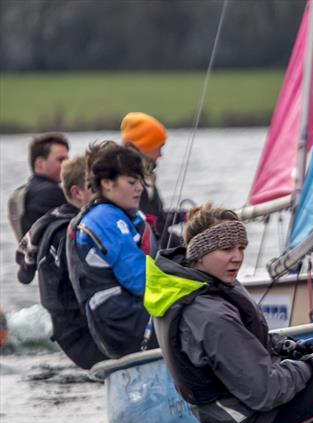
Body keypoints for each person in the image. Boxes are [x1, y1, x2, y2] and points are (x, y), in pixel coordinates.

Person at [145, 204, 313, 423]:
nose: (237, 257)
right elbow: (264, 392)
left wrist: (290, 347)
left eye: (241, 248)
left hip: (257, 404)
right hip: (254, 421)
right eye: (226, 249)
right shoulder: (210, 315)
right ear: (199, 254)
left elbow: (249, 340)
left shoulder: (205, 283)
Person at [66, 141, 157, 359]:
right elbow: (141, 281)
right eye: (132, 182)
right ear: (107, 183)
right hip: (125, 325)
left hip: (118, 324)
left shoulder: (111, 215)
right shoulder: (106, 219)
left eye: (141, 182)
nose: (140, 188)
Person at [16, 155, 108, 369]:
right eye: (95, 188)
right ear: (77, 193)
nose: (103, 194)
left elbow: (23, 272)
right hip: (81, 337)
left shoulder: (55, 219)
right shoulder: (71, 232)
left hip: (71, 332)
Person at [120, 112, 186, 248]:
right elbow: (150, 223)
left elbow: (158, 218)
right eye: (159, 147)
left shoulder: (147, 178)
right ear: (144, 147)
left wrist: (185, 216)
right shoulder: (129, 183)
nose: (160, 155)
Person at [8, 132, 70, 240]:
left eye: (67, 159)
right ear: (40, 163)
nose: (67, 164)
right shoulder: (51, 192)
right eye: (61, 160)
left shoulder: (24, 192)